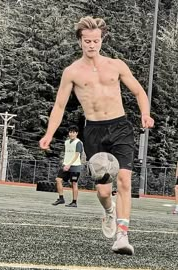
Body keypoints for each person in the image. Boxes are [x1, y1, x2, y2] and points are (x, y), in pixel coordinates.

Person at [39, 16, 154, 255]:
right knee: (103, 191)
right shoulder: (71, 72)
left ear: (102, 40)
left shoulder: (116, 65)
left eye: (96, 40)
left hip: (120, 127)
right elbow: (59, 106)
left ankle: (122, 236)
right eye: (87, 41)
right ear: (80, 41)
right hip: (94, 131)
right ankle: (109, 211)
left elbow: (139, 91)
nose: (92, 45)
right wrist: (49, 133)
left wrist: (145, 113)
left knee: (124, 180)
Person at [52, 125, 83, 207]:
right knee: (58, 179)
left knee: (74, 184)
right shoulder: (66, 142)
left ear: (76, 133)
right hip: (66, 166)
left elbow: (77, 155)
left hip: (75, 167)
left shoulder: (78, 143)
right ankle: (61, 198)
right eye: (70, 132)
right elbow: (67, 154)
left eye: (73, 132)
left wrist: (70, 164)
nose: (71, 134)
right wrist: (65, 163)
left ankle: (74, 202)